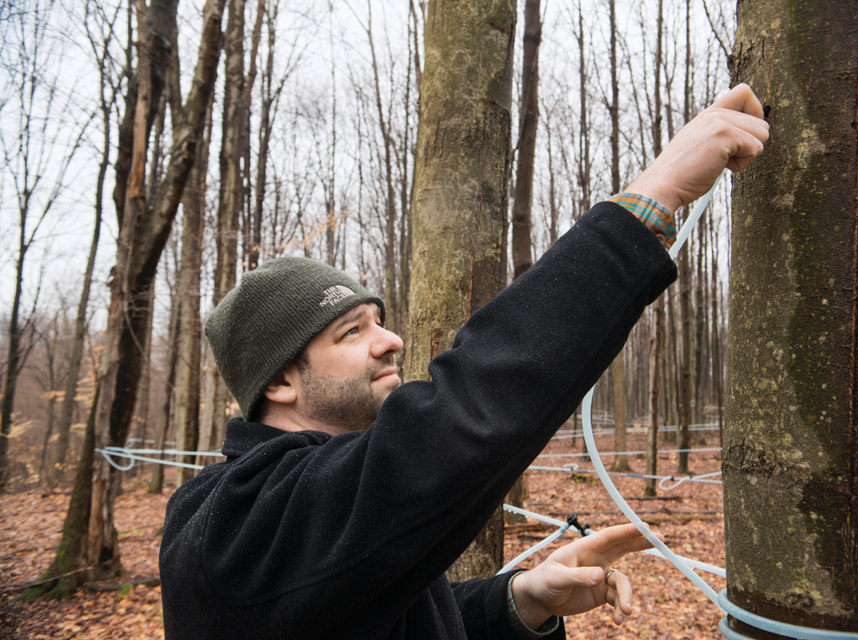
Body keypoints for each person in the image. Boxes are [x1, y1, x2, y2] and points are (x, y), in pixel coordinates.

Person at [159, 84, 768, 639]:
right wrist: (650, 201)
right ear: (282, 382)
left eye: (380, 320)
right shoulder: (232, 528)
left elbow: (388, 618)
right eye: (351, 332)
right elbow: (459, 418)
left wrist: (521, 599)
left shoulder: (315, 533)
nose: (391, 340)